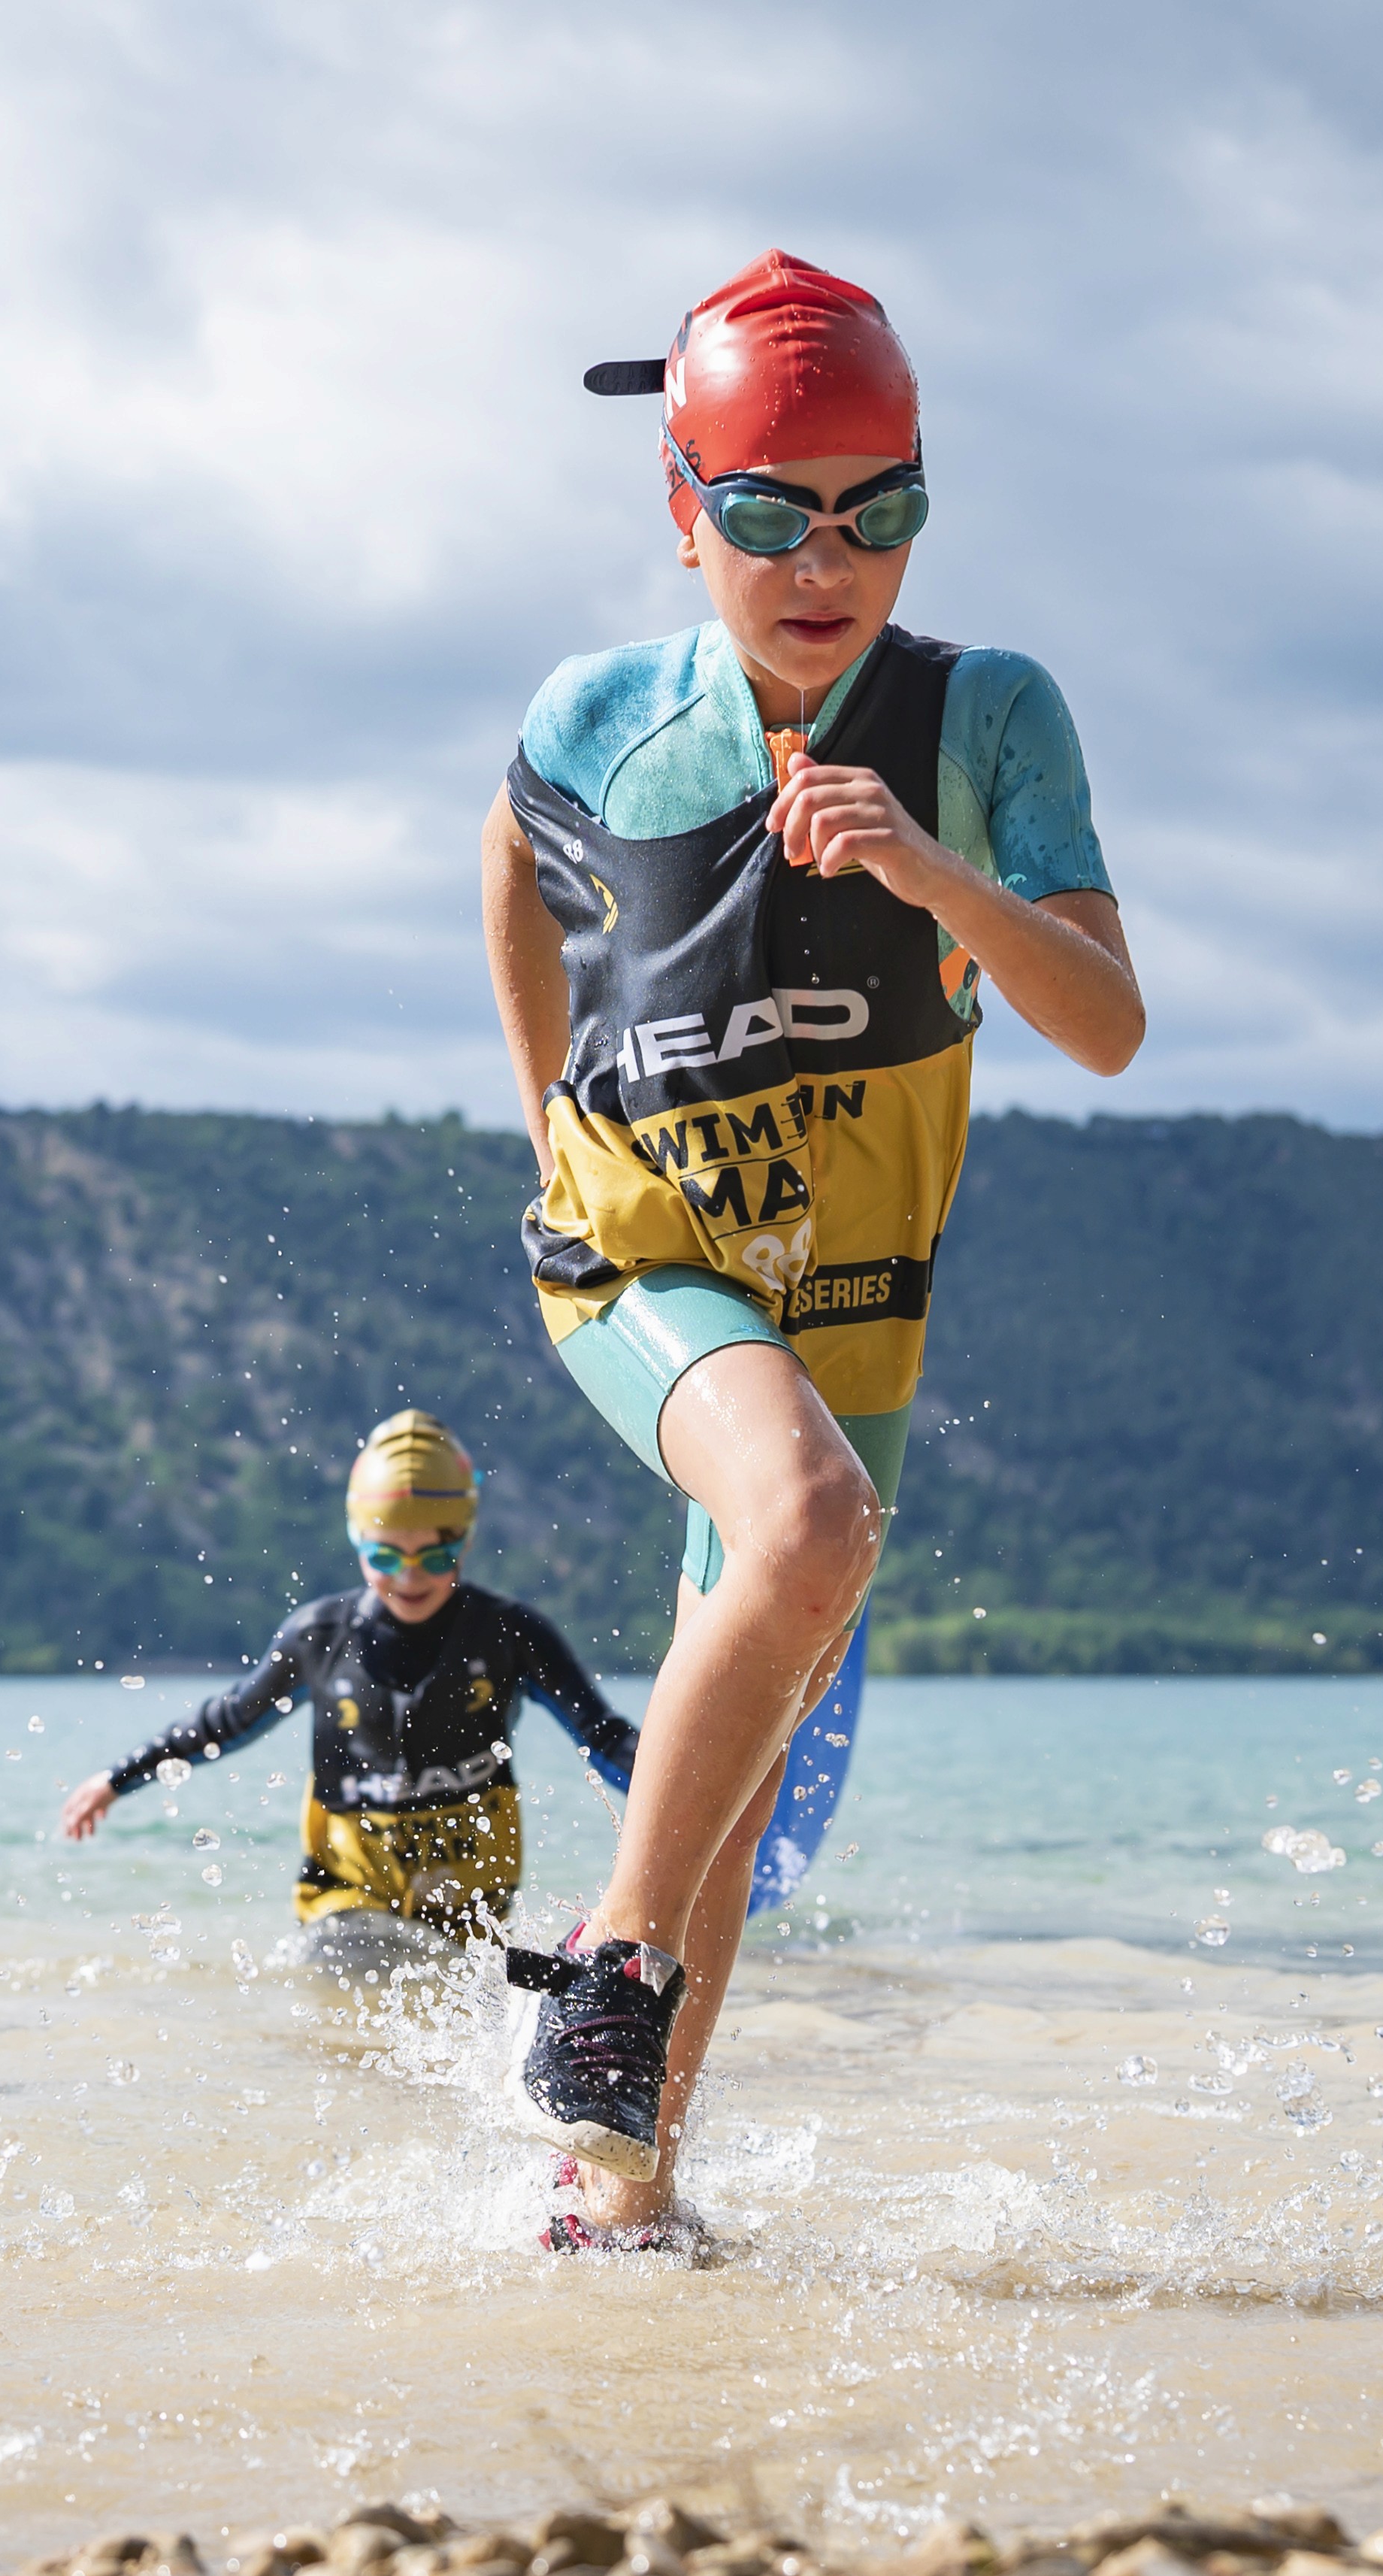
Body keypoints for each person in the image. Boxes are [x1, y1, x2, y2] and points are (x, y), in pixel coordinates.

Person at [483, 252, 1144, 2245]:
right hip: (638, 1260)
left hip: (855, 1301)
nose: (822, 557)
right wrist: (538, 1118)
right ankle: (599, 1983)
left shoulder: (982, 714)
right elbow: (515, 870)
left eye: (882, 506)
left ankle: (620, 2192)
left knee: (740, 1778)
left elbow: (1104, 1024)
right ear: (685, 508)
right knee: (807, 1524)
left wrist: (929, 864)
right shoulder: (598, 712)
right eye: (770, 511)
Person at [60, 1411, 637, 1980]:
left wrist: (710, 1815)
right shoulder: (319, 1637)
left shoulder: (510, 1635)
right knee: (343, 1989)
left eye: (435, 1557)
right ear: (356, 1539)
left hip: (467, 1910)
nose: (409, 1576)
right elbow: (229, 1719)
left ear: (465, 1539)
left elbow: (605, 1739)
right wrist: (117, 1778)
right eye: (385, 1556)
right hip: (346, 1897)